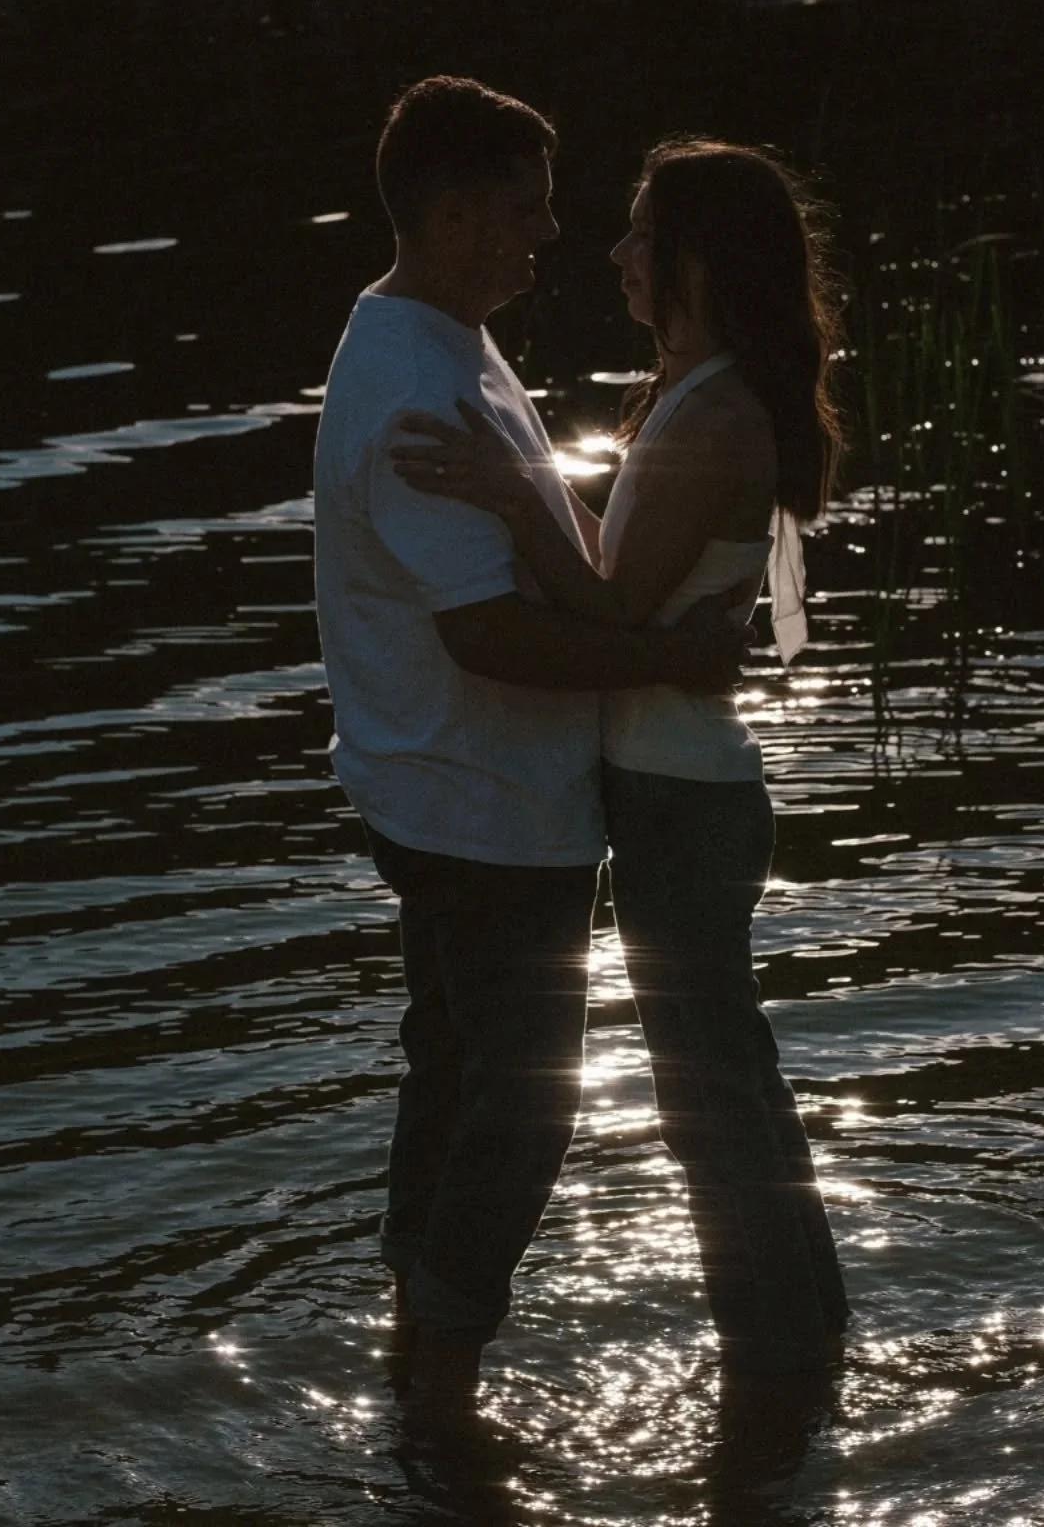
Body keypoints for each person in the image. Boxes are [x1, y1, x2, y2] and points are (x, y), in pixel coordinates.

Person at [392, 137, 851, 1400]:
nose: (617, 253)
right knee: (728, 1087)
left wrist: (508, 490)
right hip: (674, 793)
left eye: (644, 231)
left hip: (681, 803)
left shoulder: (722, 412)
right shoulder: (695, 393)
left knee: (712, 1103)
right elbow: (625, 576)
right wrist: (536, 502)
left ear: (701, 256)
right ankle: (801, 1341)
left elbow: (607, 607)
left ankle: (777, 1366)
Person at [312, 80, 745, 1411]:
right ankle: (443, 1370)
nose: (551, 236)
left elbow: (529, 550)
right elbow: (487, 634)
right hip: (478, 804)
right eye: (525, 210)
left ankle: (412, 1330)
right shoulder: (417, 392)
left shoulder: (437, 337)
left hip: (440, 786)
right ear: (452, 216)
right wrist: (665, 658)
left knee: (453, 1065)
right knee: (529, 1095)